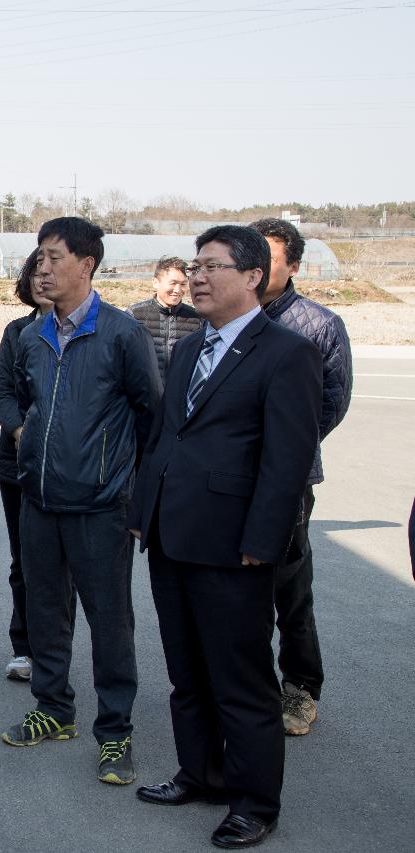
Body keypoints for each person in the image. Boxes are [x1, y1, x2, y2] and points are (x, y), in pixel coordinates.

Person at [130, 225, 322, 850]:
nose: (198, 277)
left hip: (234, 545)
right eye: (196, 264)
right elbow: (164, 437)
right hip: (172, 535)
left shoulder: (286, 353)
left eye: (213, 267)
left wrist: (263, 539)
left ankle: (254, 801)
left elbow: (286, 460)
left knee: (240, 678)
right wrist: (144, 510)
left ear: (252, 277)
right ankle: (200, 773)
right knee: (187, 671)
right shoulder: (190, 347)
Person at [1, 217, 160, 787]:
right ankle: (54, 709)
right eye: (38, 258)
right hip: (39, 501)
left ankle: (115, 732)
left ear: (86, 265)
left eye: (52, 258)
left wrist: (136, 497)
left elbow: (151, 415)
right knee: (45, 612)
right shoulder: (31, 334)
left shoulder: (121, 332)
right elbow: (15, 393)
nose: (40, 268)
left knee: (110, 623)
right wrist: (21, 433)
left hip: (100, 506)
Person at [249, 217, 353, 737]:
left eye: (269, 257)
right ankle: (249, 687)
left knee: (289, 586)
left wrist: (283, 453)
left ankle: (300, 688)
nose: (258, 266)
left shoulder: (318, 324)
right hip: (228, 478)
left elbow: (331, 405)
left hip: (288, 480)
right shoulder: (224, 318)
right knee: (235, 587)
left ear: (292, 265)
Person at [0, 248, 52, 683]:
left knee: (66, 564)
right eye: (34, 272)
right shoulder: (17, 331)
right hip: (18, 462)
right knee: (24, 559)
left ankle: (55, 647)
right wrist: (19, 432)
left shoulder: (106, 329)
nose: (42, 279)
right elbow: (2, 387)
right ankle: (26, 648)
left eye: (51, 270)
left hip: (75, 466)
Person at [127, 256, 202, 382]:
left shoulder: (196, 318)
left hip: (179, 396)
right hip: (143, 395)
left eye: (183, 284)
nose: (178, 290)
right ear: (155, 282)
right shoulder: (135, 315)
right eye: (173, 283)